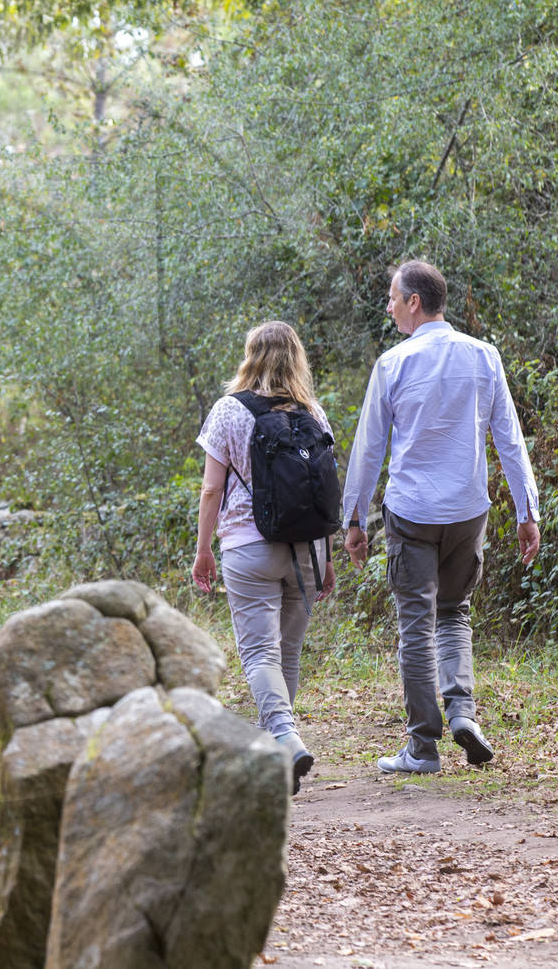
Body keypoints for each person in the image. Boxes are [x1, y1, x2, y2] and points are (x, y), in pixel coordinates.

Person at [342, 260, 541, 775]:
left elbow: (368, 450)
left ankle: (423, 747)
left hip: (411, 511)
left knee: (416, 624)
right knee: (453, 613)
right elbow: (509, 439)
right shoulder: (484, 356)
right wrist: (527, 511)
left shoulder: (392, 364)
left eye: (392, 298)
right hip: (467, 509)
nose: (388, 307)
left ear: (414, 302)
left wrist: (354, 519)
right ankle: (462, 713)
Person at [193, 320, 336, 794]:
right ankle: (278, 749)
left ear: (250, 355)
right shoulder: (313, 412)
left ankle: (284, 736)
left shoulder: (229, 410)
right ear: (297, 358)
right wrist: (328, 557)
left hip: (248, 548)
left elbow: (213, 488)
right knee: (287, 653)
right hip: (308, 551)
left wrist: (203, 550)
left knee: (258, 653)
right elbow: (325, 487)